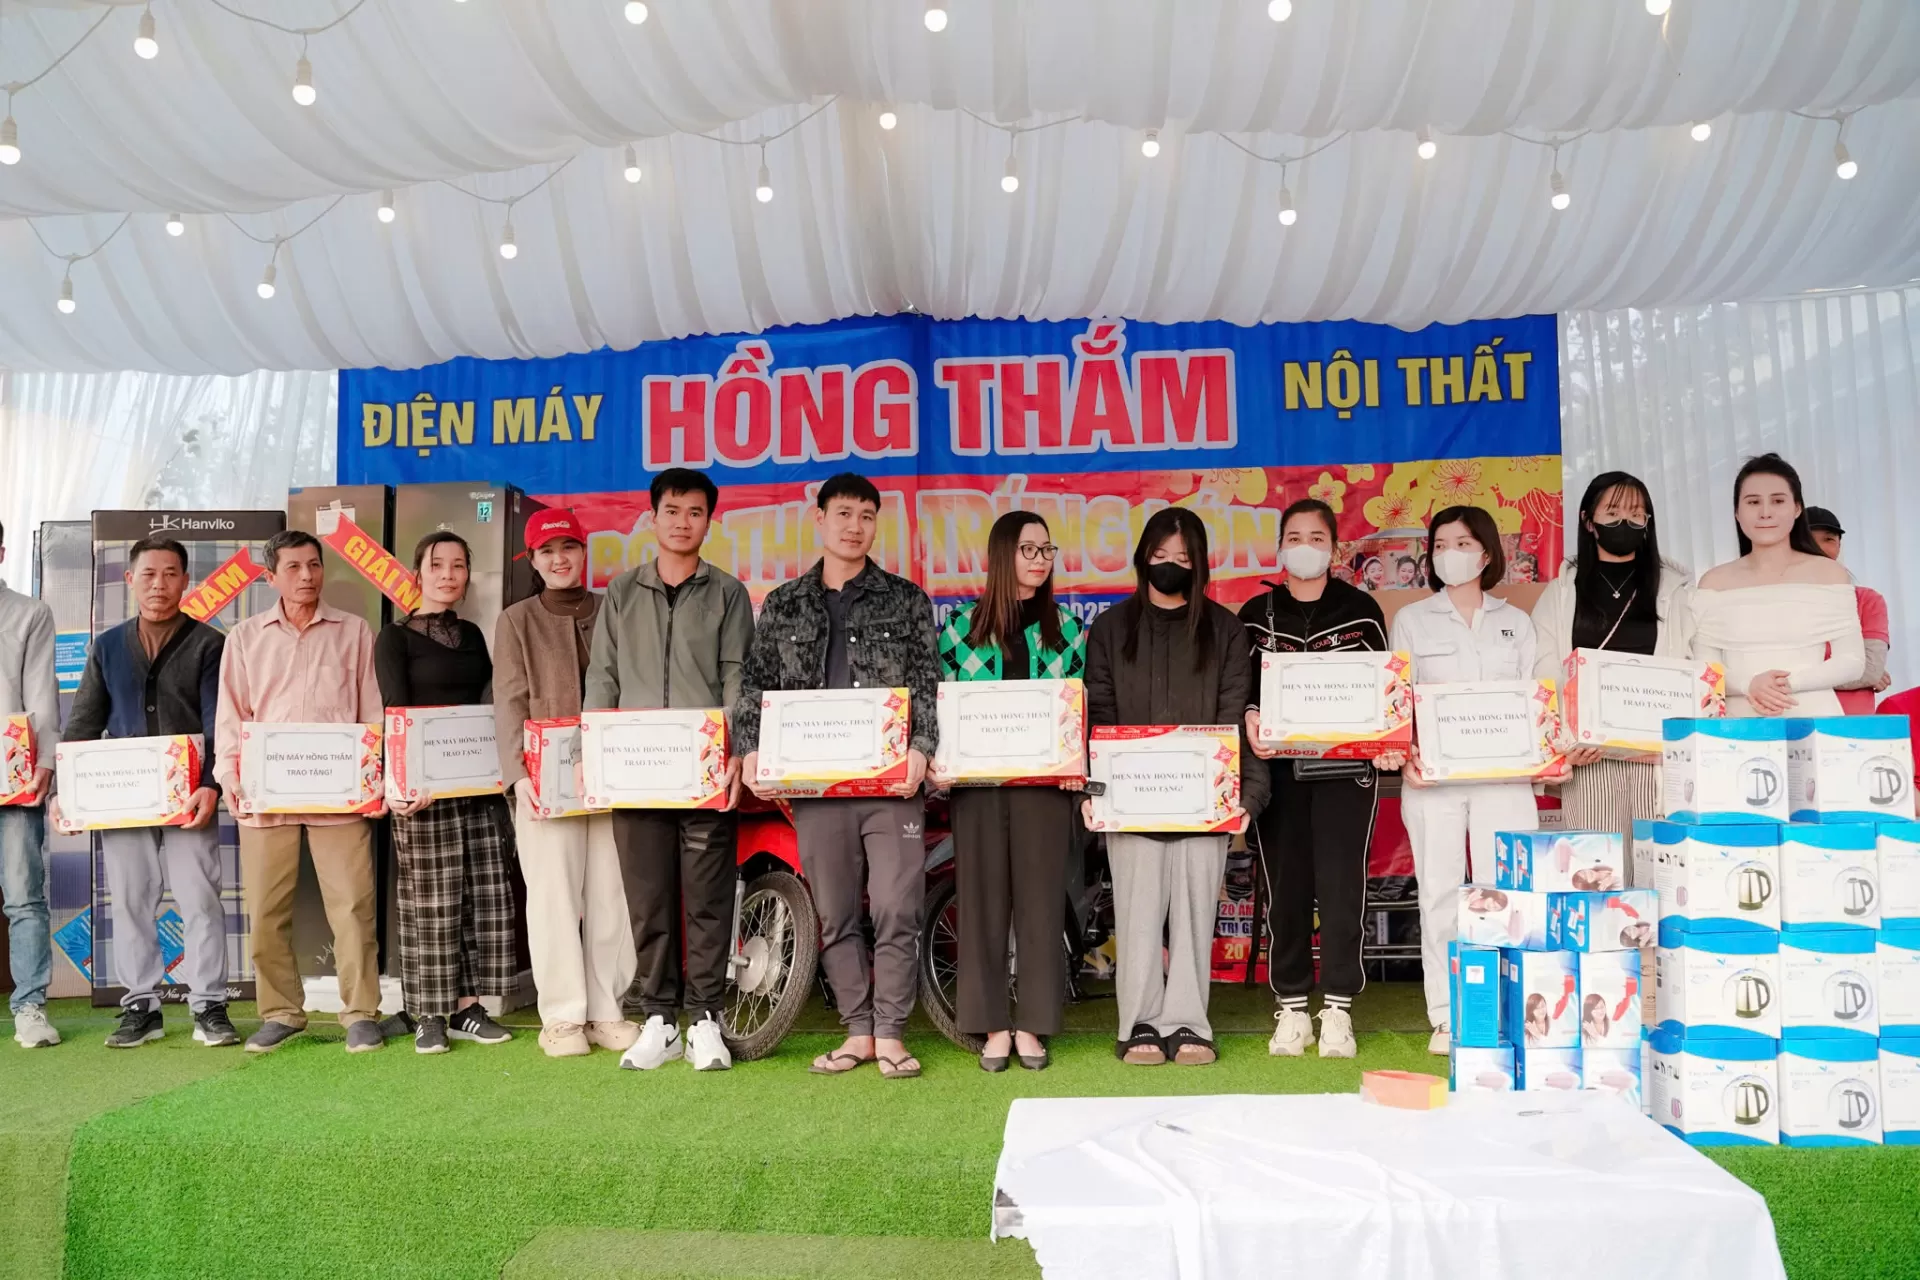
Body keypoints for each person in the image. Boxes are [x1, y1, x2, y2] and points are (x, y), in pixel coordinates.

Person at [736, 473, 939, 1081]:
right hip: (816, 789)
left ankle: (892, 1032)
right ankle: (858, 1031)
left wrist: (922, 746)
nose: (855, 526)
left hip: (890, 786)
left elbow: (928, 683)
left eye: (867, 516)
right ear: (819, 517)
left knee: (898, 906)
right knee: (835, 912)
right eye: (844, 513)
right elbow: (756, 686)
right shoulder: (784, 603)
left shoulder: (906, 598)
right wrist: (752, 750)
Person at [1084, 507, 1267, 1067]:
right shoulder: (1111, 629)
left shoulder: (1225, 630)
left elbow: (1236, 714)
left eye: (1183, 558)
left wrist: (1249, 796)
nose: (1170, 566)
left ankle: (1189, 1022)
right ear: (1142, 557)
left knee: (1193, 916)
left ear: (1200, 564)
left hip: (1204, 803)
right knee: (1137, 916)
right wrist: (1092, 793)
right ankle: (1138, 1022)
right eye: (1160, 555)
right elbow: (1099, 717)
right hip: (1129, 802)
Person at [585, 468, 754, 1073]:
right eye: (673, 511)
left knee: (707, 899)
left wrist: (734, 750)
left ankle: (704, 1018)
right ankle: (659, 1019)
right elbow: (602, 675)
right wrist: (590, 752)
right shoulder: (621, 592)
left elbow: (737, 676)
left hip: (702, 771)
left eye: (696, 512)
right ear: (652, 517)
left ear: (710, 521)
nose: (684, 522)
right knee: (649, 899)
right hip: (633, 770)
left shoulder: (728, 593)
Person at [55, 537, 236, 1049]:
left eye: (171, 574)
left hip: (190, 797)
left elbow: (219, 724)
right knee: (132, 900)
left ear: (186, 581)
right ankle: (141, 1006)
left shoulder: (209, 643)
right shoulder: (108, 646)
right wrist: (67, 793)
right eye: (149, 574)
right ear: (130, 580)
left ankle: (209, 1004)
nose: (160, 584)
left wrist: (211, 785)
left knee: (200, 899)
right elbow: (83, 723)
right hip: (123, 798)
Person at [1240, 499, 1400, 1060]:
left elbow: (1385, 692)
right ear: (1279, 548)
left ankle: (1337, 1008)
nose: (1304, 547)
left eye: (1316, 537)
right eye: (1294, 537)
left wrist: (1386, 739)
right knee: (1285, 889)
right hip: (1278, 774)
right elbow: (1241, 691)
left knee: (1341, 888)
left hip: (1346, 775)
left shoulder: (1361, 610)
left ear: (1335, 549)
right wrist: (1250, 717)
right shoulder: (1255, 614)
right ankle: (1290, 1008)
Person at [216, 530, 386, 1054]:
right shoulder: (244, 637)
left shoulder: (354, 631)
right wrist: (229, 777)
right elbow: (231, 715)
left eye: (314, 565)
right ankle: (281, 1012)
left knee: (353, 905)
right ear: (270, 577)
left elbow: (371, 711)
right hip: (266, 795)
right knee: (267, 911)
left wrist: (373, 775)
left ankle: (360, 1012)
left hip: (340, 795)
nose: (307, 576)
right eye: (292, 567)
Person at [1391, 505, 1548, 1056]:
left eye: (1461, 544)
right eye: (1439, 545)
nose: (1449, 554)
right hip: (1433, 779)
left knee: (1503, 893)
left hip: (1504, 779)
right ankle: (1448, 1014)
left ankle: (1507, 1011)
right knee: (1438, 894)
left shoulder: (1516, 622)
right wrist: (1404, 752)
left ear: (1486, 553)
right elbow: (1398, 700)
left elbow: (1537, 699)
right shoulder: (1412, 619)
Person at [931, 511, 1085, 1072]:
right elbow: (941, 708)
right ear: (1002, 555)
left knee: (1041, 905)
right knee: (981, 903)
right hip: (978, 789)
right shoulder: (959, 630)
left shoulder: (1067, 630)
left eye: (1047, 550)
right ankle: (993, 1024)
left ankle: (1034, 1025)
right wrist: (940, 760)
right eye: (1028, 549)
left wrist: (1075, 761)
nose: (1040, 560)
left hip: (1044, 790)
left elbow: (1078, 708)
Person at [495, 509, 638, 1059]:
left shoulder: (615, 608)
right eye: (547, 551)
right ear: (532, 560)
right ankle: (561, 1017)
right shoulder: (516, 621)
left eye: (569, 548)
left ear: (584, 552)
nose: (560, 559)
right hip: (543, 782)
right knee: (552, 897)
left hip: (615, 773)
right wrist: (517, 776)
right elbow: (508, 701)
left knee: (613, 894)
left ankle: (606, 1010)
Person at [375, 532, 517, 1055]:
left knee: (479, 898)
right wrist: (400, 782)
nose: (448, 575)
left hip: (476, 787)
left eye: (458, 565)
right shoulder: (394, 638)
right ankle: (428, 1013)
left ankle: (468, 1009)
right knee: (429, 904)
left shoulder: (475, 634)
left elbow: (488, 702)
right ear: (418, 573)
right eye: (437, 564)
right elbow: (395, 711)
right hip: (423, 791)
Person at [1530, 472, 1694, 845]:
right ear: (1589, 521)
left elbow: (1693, 664)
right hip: (1590, 756)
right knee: (1597, 863)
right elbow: (1544, 671)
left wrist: (1678, 741)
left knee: (1661, 861)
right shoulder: (1561, 592)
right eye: (1613, 512)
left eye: (1636, 514)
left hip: (1657, 757)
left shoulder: (1675, 590)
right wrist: (1566, 742)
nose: (1625, 522)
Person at [1692, 455, 1863, 718]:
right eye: (1753, 502)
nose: (1765, 512)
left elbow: (1852, 662)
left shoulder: (1829, 574)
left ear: (1797, 508)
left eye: (1778, 501)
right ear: (1737, 512)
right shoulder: (1713, 582)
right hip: (1737, 725)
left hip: (1816, 721)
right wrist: (1748, 685)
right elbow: (1704, 668)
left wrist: (1789, 683)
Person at [0, 520, 62, 1049]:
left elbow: (42, 693)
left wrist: (43, 762)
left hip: (13, 778)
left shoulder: (29, 613)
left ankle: (30, 1006)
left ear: (1, 552)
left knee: (23, 895)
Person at [1806, 507, 1892, 715]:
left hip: (1852, 725)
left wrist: (1798, 678)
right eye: (1808, 539)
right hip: (1794, 719)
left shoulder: (1867, 600)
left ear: (1839, 546)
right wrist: (1852, 672)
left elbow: (1871, 670)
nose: (1819, 548)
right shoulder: (1778, 602)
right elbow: (1769, 667)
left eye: (1829, 539)